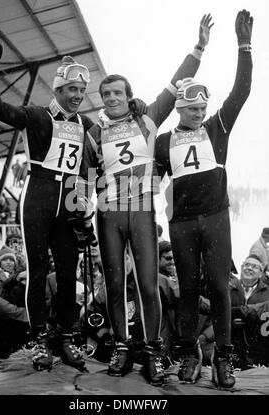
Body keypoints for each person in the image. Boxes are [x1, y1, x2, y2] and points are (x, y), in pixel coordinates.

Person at [76, 14, 213, 386]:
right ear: (101, 100)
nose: (112, 99)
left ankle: (152, 350)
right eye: (106, 95)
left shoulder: (148, 118)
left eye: (117, 93)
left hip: (140, 210)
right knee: (115, 283)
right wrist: (79, 214)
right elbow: (86, 175)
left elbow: (175, 84)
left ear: (128, 94)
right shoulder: (94, 131)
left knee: (149, 285)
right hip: (108, 213)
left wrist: (198, 47)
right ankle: (122, 347)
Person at [0, 34, 97, 373]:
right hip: (39, 194)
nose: (76, 96)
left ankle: (66, 334)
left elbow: (99, 153)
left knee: (68, 271)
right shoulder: (37, 114)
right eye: (71, 89)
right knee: (38, 269)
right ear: (57, 89)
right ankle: (40, 336)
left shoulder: (84, 123)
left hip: (69, 199)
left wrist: (85, 208)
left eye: (81, 91)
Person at [155, 10, 253, 388]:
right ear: (180, 108)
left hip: (214, 216)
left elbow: (240, 92)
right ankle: (186, 352)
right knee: (188, 291)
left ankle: (224, 359)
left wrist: (243, 46)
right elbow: (149, 183)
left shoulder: (217, 127)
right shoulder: (164, 142)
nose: (200, 113)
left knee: (218, 285)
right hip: (180, 223)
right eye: (193, 108)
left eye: (202, 107)